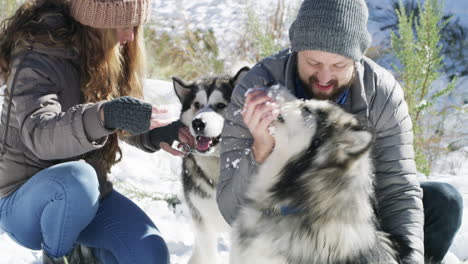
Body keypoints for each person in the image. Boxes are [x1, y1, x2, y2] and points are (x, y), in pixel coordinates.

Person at [217, 0, 463, 263]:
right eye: (313, 62)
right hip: (283, 222)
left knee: (443, 202)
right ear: (295, 50)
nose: (324, 77)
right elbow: (232, 211)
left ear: (357, 59)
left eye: (339, 65)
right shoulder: (258, 87)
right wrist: (261, 150)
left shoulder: (381, 92)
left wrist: (409, 259)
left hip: (354, 216)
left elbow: (397, 188)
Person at [0, 0, 194, 263]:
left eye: (136, 26)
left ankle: (82, 248)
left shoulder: (106, 50)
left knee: (150, 254)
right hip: (25, 202)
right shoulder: (38, 55)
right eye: (125, 25)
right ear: (95, 23)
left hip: (87, 197)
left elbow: (106, 121)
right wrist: (105, 115)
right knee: (78, 179)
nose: (130, 36)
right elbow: (40, 135)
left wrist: (154, 134)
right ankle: (59, 256)